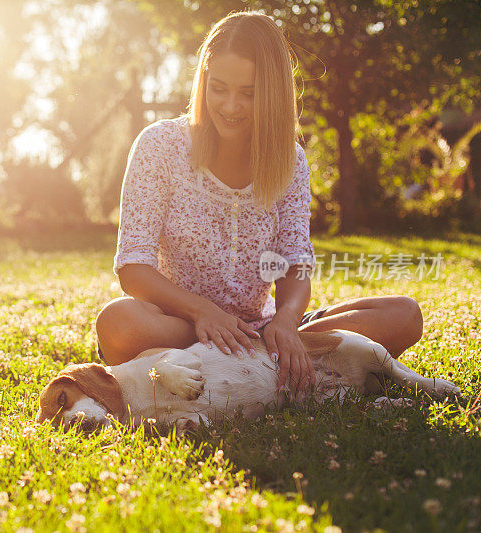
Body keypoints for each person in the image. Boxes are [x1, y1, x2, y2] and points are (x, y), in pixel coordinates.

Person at [95, 11, 423, 391]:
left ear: (272, 92)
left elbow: (295, 263)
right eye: (218, 88)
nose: (231, 106)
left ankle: (259, 362)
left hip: (265, 330)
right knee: (118, 324)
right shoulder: (159, 146)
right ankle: (290, 371)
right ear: (203, 81)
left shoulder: (290, 160)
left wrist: (285, 321)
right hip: (181, 327)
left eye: (248, 94)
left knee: (403, 316)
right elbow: (133, 268)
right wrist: (203, 312)